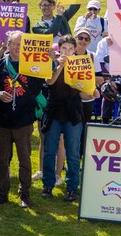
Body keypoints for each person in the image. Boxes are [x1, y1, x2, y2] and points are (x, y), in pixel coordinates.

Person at [0, 32, 45, 208]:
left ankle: (25, 193)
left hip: (23, 121)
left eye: (21, 45)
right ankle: (2, 192)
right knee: (1, 159)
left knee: (25, 158)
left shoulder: (33, 67)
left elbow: (39, 89)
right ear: (8, 44)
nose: (17, 48)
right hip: (2, 121)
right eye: (14, 44)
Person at [40, 35, 94, 203]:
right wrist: (60, 66)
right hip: (54, 110)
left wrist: (91, 92)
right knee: (50, 150)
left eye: (71, 49)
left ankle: (72, 188)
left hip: (73, 112)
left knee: (73, 152)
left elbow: (85, 93)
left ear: (75, 50)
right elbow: (49, 82)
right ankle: (48, 184)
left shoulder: (81, 66)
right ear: (59, 48)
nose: (68, 52)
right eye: (64, 48)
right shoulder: (52, 62)